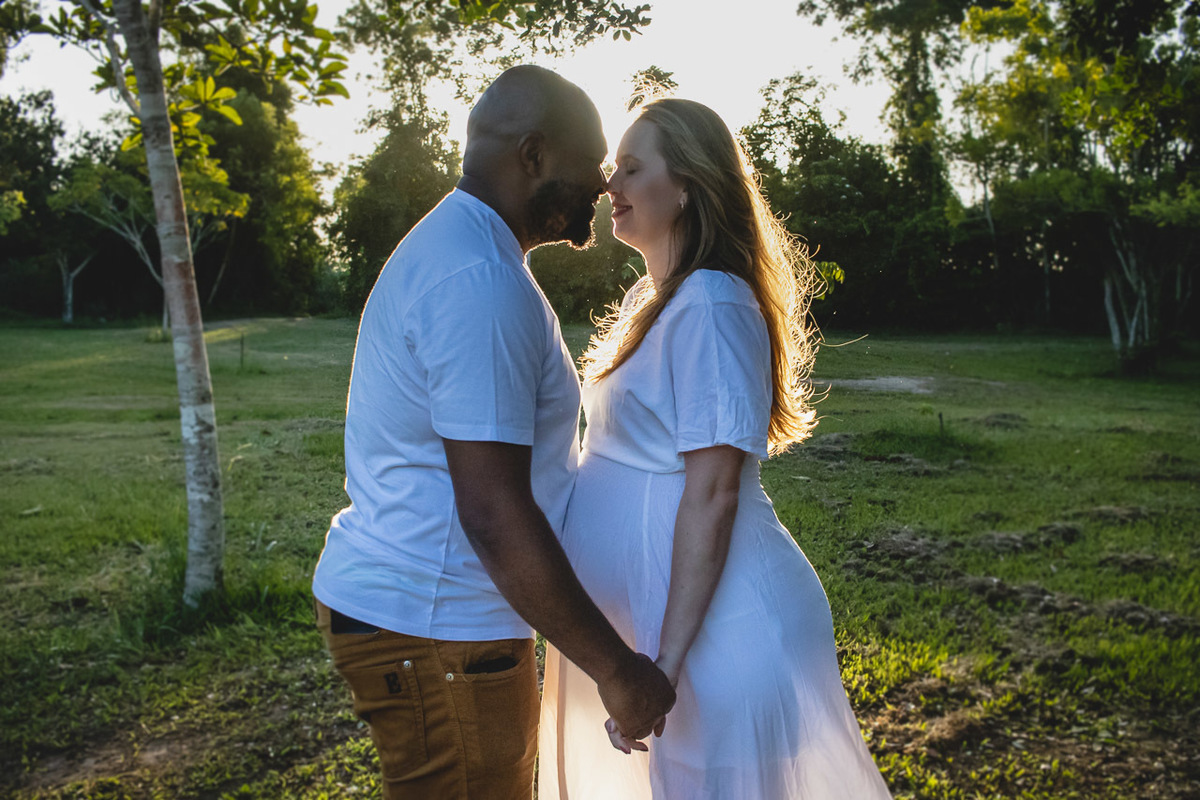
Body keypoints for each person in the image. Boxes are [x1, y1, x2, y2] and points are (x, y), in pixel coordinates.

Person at [312, 65, 676, 800]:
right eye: (594, 159)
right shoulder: (478, 280)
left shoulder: (468, 251)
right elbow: (493, 510)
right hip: (435, 629)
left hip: (434, 619)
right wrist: (617, 669)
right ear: (534, 155)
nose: (604, 184)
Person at [537, 98, 893, 799]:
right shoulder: (655, 296)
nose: (610, 186)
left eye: (633, 169)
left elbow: (715, 490)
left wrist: (664, 666)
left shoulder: (712, 302)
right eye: (613, 169)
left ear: (689, 185)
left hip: (716, 634)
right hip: (653, 622)